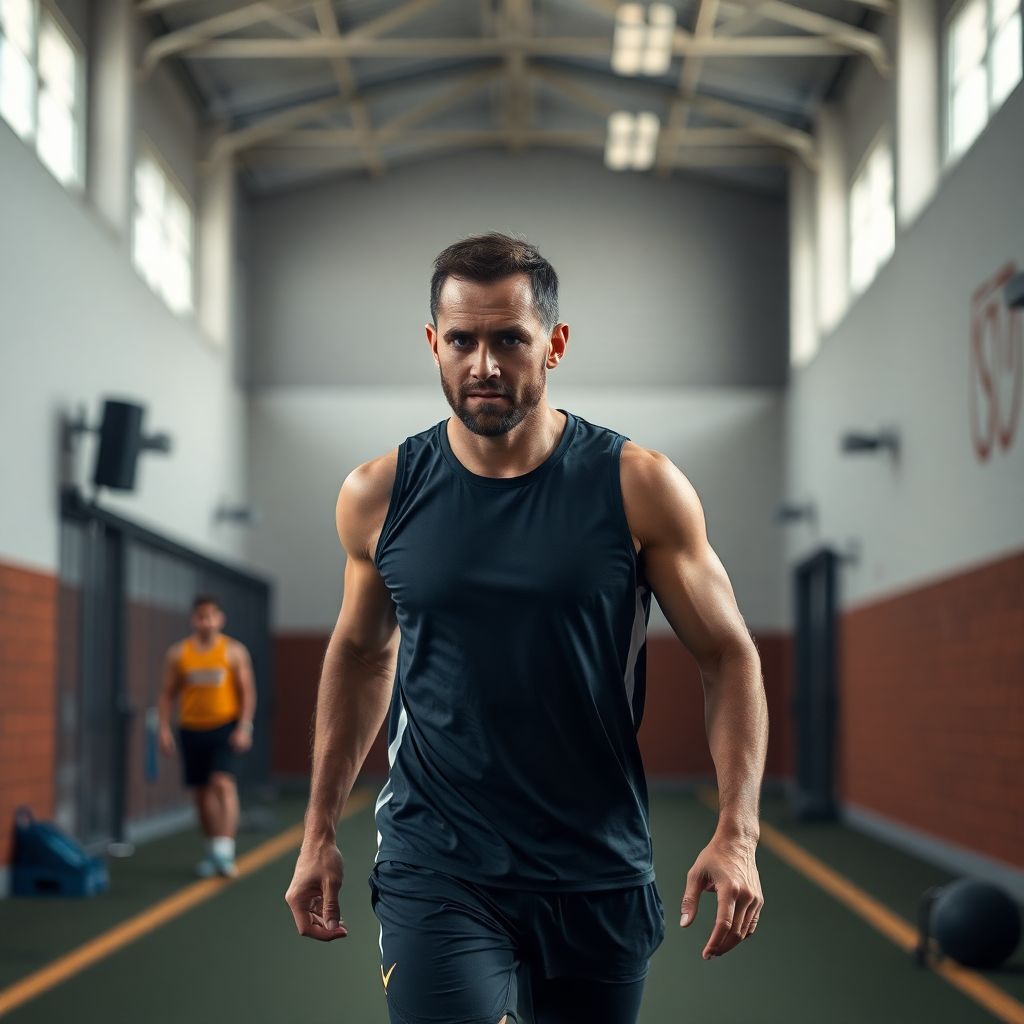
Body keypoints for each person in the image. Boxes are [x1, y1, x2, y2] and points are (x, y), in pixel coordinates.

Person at [285, 233, 768, 1024]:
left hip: (596, 866)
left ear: (554, 345)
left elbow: (728, 654)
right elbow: (362, 656)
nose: (484, 364)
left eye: (509, 338)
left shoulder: (638, 487)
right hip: (436, 863)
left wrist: (738, 832)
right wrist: (318, 831)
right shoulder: (379, 495)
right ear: (433, 344)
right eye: (463, 340)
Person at [159, 594, 256, 878]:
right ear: (194, 619)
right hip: (191, 728)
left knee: (222, 783)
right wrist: (163, 729)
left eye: (211, 616)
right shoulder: (179, 654)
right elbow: (167, 694)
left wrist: (244, 726)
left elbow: (247, 691)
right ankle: (213, 851)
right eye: (201, 616)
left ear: (220, 619)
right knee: (201, 793)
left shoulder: (234, 652)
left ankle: (226, 852)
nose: (206, 621)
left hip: (224, 727)